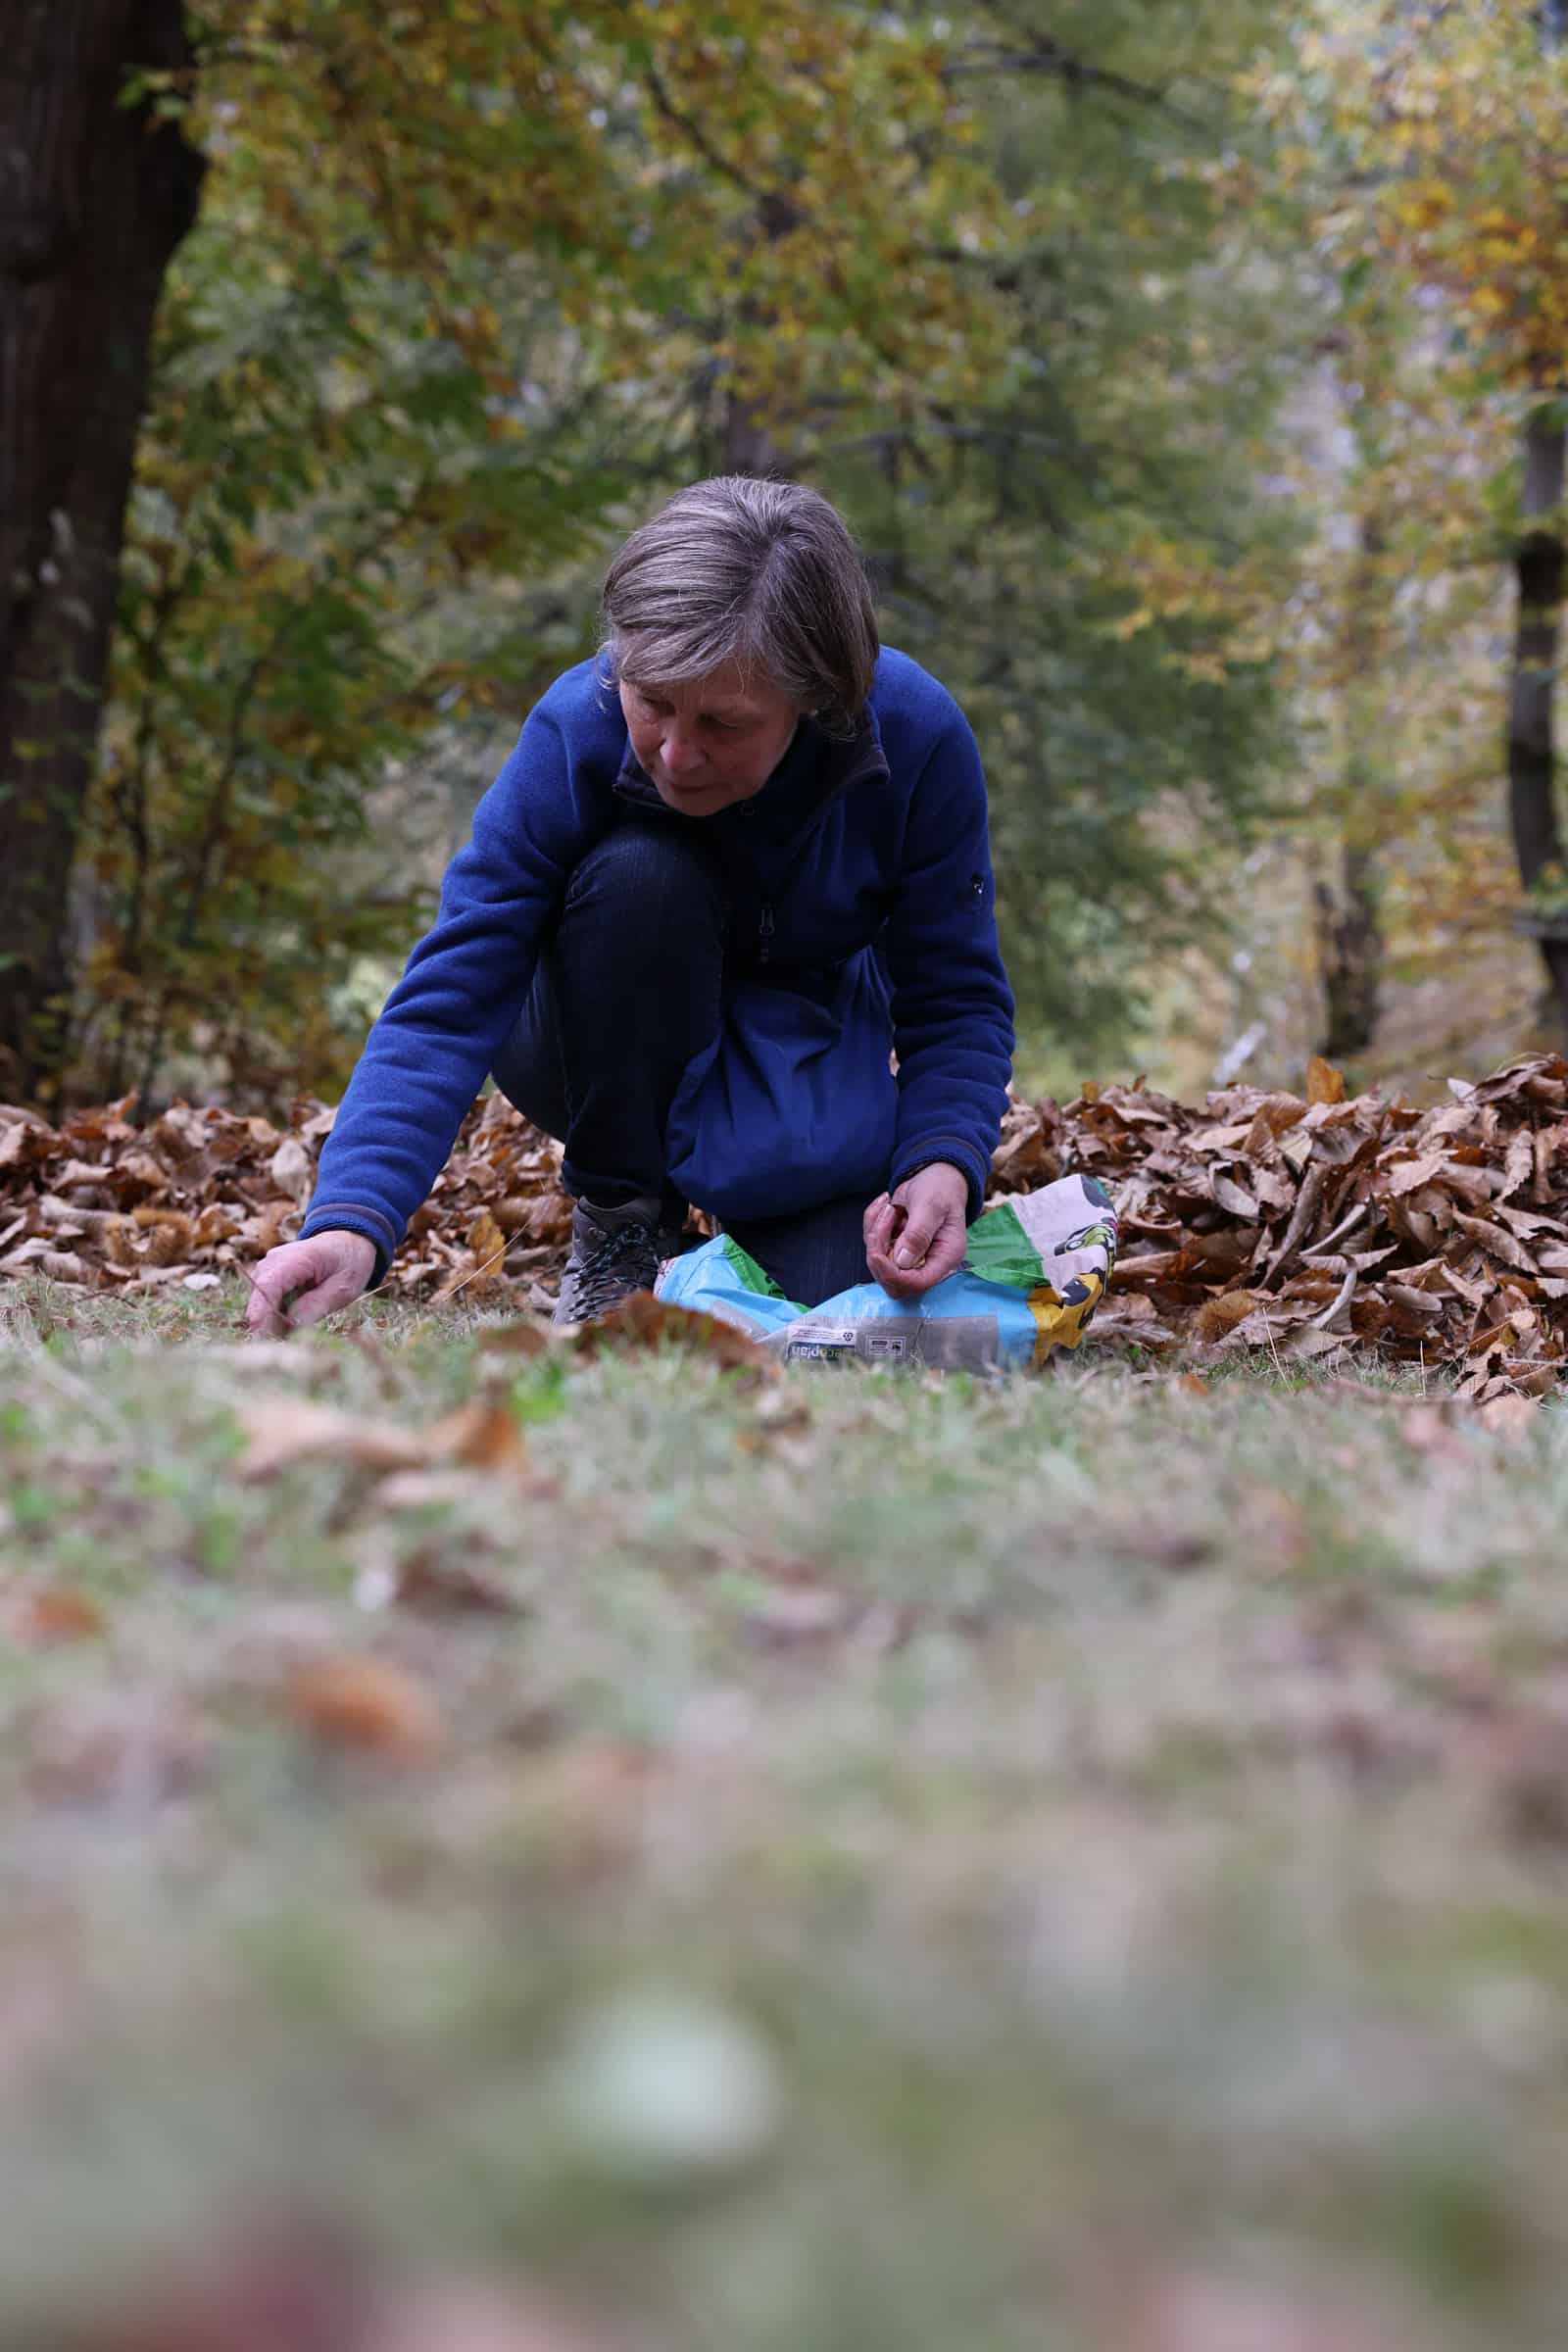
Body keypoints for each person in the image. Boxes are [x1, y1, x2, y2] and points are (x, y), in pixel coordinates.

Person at [245, 476, 1015, 1335]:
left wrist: (942, 1159)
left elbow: (955, 996)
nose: (677, 755)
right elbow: (455, 989)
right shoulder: (579, 723)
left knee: (843, 1308)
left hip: (800, 1067)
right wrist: (353, 1220)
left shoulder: (916, 739)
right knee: (642, 879)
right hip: (601, 1030)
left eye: (724, 724)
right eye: (652, 702)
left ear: (816, 696)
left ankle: (759, 1210)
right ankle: (624, 1220)